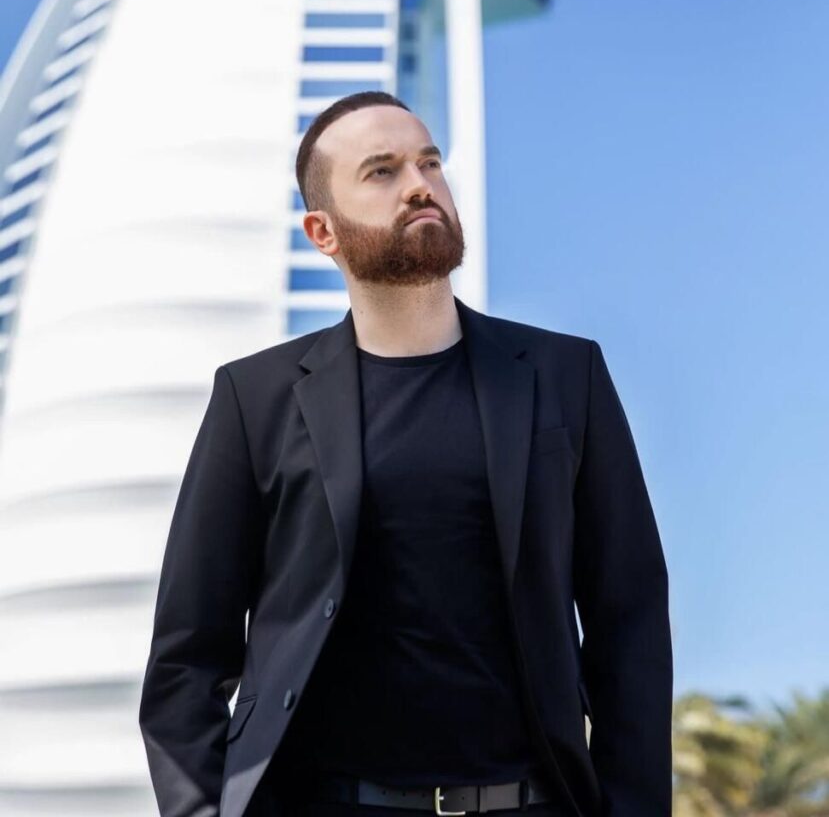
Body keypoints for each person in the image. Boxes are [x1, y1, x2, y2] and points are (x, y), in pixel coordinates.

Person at [139, 91, 673, 817]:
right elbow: (187, 656)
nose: (420, 185)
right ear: (323, 231)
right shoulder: (254, 398)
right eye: (382, 171)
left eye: (429, 163)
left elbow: (627, 620)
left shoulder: (564, 376)